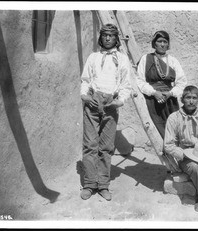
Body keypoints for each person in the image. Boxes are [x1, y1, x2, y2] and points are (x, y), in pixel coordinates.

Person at [80, 23, 132, 201]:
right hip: (93, 102)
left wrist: (119, 101)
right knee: (90, 144)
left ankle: (103, 185)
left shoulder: (122, 59)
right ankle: (89, 184)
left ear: (116, 38)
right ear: (101, 38)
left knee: (107, 146)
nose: (108, 38)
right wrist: (86, 97)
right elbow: (85, 80)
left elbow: (126, 84)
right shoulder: (93, 57)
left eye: (111, 35)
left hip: (111, 103)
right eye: (104, 35)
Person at [136, 30, 187, 139]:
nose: (162, 44)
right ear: (154, 43)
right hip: (152, 99)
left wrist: (170, 93)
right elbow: (140, 80)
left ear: (168, 44)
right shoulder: (146, 59)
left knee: (173, 130)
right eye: (159, 41)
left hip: (169, 100)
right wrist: (154, 93)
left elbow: (181, 82)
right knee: (157, 130)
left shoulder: (173, 61)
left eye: (165, 41)